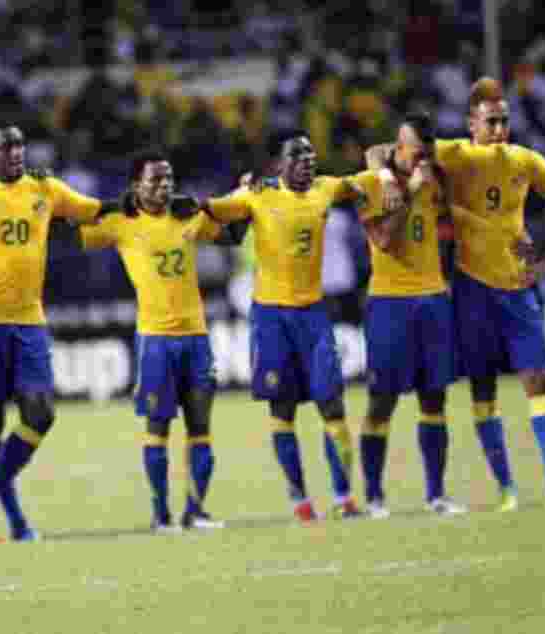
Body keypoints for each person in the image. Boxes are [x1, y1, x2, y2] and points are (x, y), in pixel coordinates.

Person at [368, 78, 545, 511]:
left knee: (538, 380)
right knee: (481, 391)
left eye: (505, 120)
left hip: (518, 287)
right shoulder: (455, 153)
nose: (501, 128)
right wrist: (384, 176)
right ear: (472, 124)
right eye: (492, 121)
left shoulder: (527, 161)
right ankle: (507, 490)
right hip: (471, 289)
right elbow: (381, 151)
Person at [0, 126, 136, 540]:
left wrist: (141, 202)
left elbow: (94, 210)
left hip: (30, 321)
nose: (14, 154)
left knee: (40, 413)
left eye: (18, 146)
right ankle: (13, 521)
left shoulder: (45, 187)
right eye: (3, 148)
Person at [75, 150, 247, 532]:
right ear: (137, 186)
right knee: (158, 429)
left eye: (169, 179)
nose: (164, 186)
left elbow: (234, 233)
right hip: (155, 341)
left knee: (201, 428)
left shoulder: (188, 217)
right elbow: (66, 232)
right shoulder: (120, 223)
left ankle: (196, 511)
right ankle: (160, 514)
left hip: (196, 338)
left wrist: (243, 195)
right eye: (155, 180)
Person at [199, 130, 364, 521]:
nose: (308, 160)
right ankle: (299, 497)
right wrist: (226, 195)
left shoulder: (326, 189)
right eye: (297, 155)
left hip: (313, 313)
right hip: (271, 317)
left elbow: (367, 182)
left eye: (310, 154)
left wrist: (390, 179)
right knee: (282, 410)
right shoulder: (257, 194)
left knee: (332, 404)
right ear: (279, 164)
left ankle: (343, 496)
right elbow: (216, 212)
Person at [349, 111, 466, 518]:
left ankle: (436, 494)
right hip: (389, 302)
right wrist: (408, 189)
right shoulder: (370, 184)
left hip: (433, 299)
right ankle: (375, 495)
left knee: (435, 400)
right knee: (382, 403)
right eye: (418, 152)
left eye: (427, 154)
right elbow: (382, 240)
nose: (424, 161)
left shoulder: (434, 174)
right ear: (399, 147)